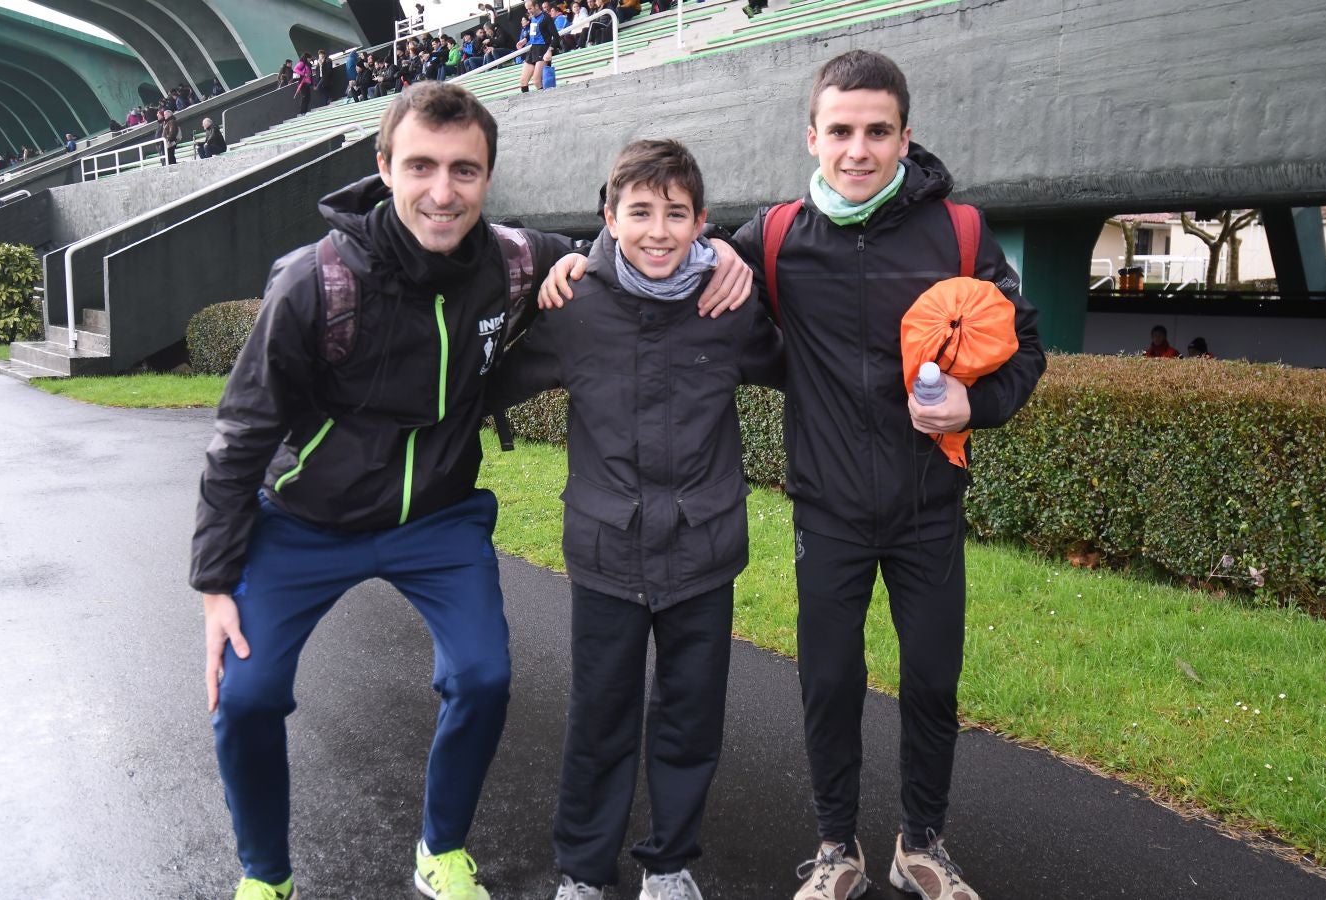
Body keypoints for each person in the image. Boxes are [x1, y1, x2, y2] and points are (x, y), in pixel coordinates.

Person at [191, 79, 752, 900]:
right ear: (384, 166)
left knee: (484, 676)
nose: (442, 191)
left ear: (488, 177)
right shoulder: (313, 282)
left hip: (440, 520)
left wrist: (723, 251)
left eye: (464, 170)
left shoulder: (520, 260)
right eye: (421, 166)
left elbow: (631, 249)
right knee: (247, 695)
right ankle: (263, 874)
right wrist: (214, 583)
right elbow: (239, 435)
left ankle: (440, 849)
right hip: (307, 521)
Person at [539, 49, 1044, 900]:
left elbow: (1022, 347)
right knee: (831, 682)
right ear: (812, 137)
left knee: (930, 680)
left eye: (876, 131)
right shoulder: (772, 238)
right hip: (829, 510)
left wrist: (975, 406)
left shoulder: (958, 232)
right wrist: (574, 262)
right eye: (840, 130)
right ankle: (834, 847)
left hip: (927, 507)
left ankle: (921, 842)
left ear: (904, 137)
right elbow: (660, 255)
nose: (858, 149)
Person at [491, 140, 782, 900]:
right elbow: (483, 381)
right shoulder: (574, 303)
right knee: (601, 719)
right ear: (609, 218)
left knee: (690, 720)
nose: (658, 230)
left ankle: (669, 864)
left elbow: (804, 365)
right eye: (640, 212)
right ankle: (584, 872)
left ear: (702, 223)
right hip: (606, 552)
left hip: (703, 549)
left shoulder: (728, 301)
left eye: (676, 214)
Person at [517, 0, 561, 94]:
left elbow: (556, 37)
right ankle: (527, 104)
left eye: (530, 8)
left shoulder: (546, 17)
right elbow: (533, 33)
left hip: (543, 50)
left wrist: (550, 50)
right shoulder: (532, 18)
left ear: (536, 6)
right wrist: (524, 40)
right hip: (533, 50)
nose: (529, 11)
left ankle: (546, 101)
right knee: (523, 82)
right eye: (527, 9)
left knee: (537, 81)